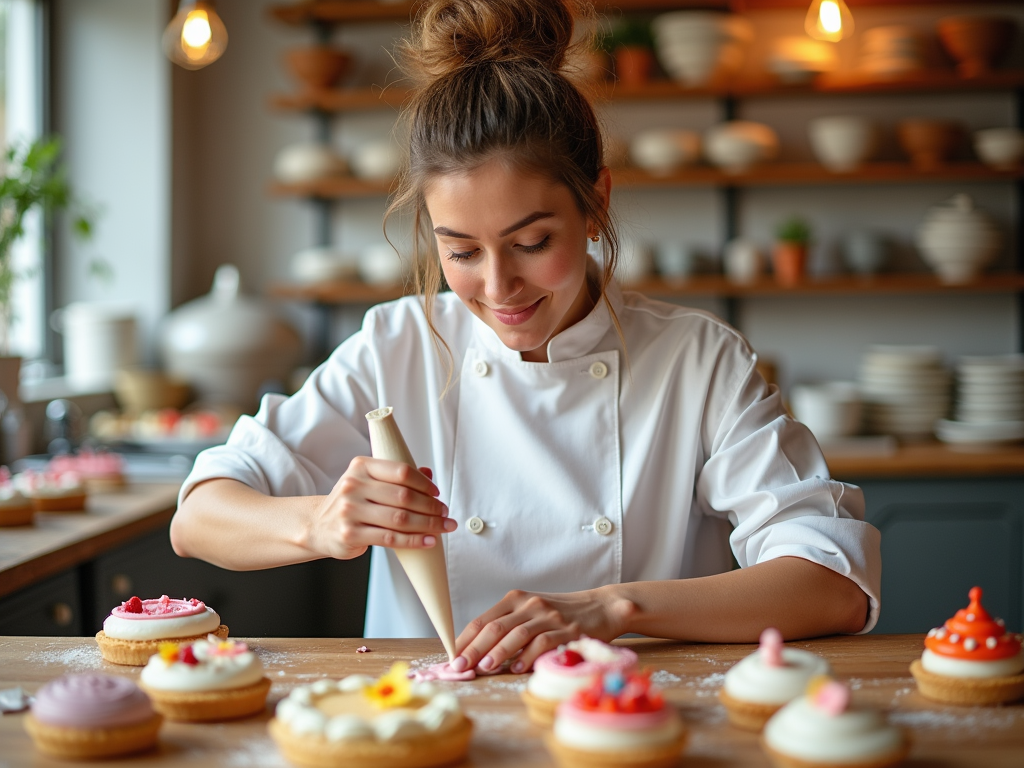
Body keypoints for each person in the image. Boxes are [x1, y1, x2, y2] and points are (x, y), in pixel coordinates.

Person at [170, 0, 880, 676]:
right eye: (462, 252)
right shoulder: (398, 346)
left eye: (532, 242)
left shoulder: (697, 360)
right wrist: (321, 523)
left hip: (623, 722)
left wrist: (615, 606)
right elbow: (199, 516)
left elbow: (833, 583)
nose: (500, 286)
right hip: (423, 721)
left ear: (596, 203)